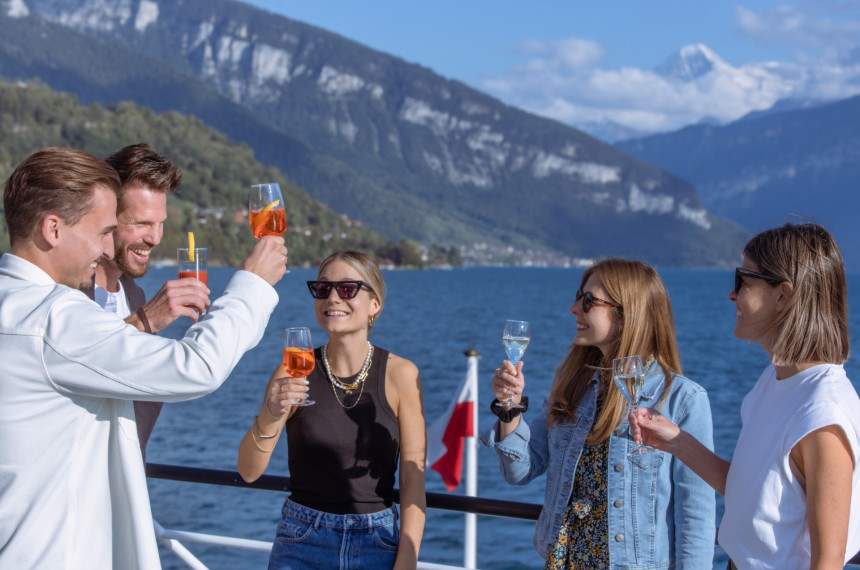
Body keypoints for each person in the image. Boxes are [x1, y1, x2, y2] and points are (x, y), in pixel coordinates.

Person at [0, 146, 287, 568]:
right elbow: (196, 368)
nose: (104, 249)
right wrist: (252, 284)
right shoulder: (56, 317)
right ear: (53, 229)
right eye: (101, 232)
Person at [630, 222, 860, 570]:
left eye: (743, 280)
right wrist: (676, 441)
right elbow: (753, 492)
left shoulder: (822, 411)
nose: (732, 294)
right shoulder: (777, 380)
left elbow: (828, 560)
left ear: (783, 295)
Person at [481, 258, 715, 569]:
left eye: (589, 301)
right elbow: (519, 471)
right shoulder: (573, 387)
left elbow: (695, 516)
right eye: (579, 296)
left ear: (626, 313)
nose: (574, 308)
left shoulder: (683, 400)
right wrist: (509, 405)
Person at [237, 250, 426, 570]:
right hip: (302, 541)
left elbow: (412, 480)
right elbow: (248, 471)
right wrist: (271, 412)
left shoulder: (402, 375)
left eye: (348, 288)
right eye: (323, 288)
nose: (333, 297)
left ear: (374, 304)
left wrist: (406, 560)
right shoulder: (293, 370)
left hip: (377, 543)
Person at [87, 143, 210, 459]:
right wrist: (145, 321)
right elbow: (84, 370)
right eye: (141, 224)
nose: (155, 238)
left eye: (160, 223)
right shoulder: (66, 293)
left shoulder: (135, 295)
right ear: (105, 218)